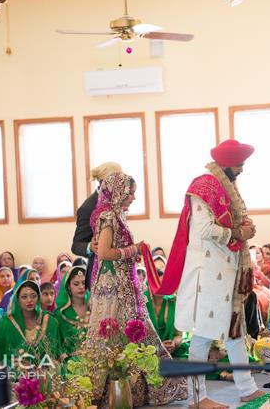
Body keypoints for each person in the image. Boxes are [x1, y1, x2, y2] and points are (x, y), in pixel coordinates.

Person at [152, 139, 263, 408]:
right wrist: (238, 233)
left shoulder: (228, 187)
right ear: (227, 163)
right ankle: (196, 398)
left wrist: (243, 228)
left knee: (235, 333)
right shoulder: (202, 187)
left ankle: (246, 389)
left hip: (227, 273)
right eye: (240, 164)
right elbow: (203, 230)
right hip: (207, 276)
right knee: (202, 336)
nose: (242, 169)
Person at [83, 172, 186, 406]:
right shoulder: (108, 217)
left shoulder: (118, 216)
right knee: (113, 332)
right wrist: (133, 250)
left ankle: (134, 390)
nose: (134, 197)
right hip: (112, 288)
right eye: (130, 193)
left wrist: (134, 250)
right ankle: (109, 391)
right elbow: (104, 253)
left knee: (133, 330)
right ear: (118, 192)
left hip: (124, 283)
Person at [72, 162, 123, 289]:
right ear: (104, 182)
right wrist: (90, 247)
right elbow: (76, 245)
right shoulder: (88, 207)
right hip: (99, 274)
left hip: (119, 270)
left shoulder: (118, 201)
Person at [0, 281, 61, 365]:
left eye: (33, 296)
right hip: (15, 371)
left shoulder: (48, 320)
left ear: (38, 298)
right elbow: (0, 354)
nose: (29, 300)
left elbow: (54, 351)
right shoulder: (7, 322)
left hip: (44, 369)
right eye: (24, 297)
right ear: (17, 299)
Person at [55, 266, 90, 358]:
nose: (81, 287)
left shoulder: (94, 307)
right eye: (76, 284)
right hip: (71, 360)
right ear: (68, 286)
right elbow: (58, 343)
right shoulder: (61, 313)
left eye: (84, 283)